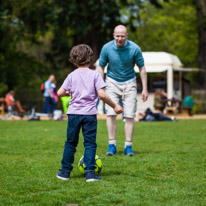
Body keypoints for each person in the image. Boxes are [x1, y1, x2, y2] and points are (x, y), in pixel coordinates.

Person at [56, 44, 123, 182]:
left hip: (73, 114)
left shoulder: (71, 75)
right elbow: (102, 95)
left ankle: (64, 172)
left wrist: (69, 92)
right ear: (91, 58)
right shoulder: (95, 75)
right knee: (90, 144)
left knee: (70, 143)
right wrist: (115, 105)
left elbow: (60, 92)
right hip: (89, 115)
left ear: (74, 60)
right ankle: (90, 174)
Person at [97, 25, 148, 156]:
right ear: (114, 35)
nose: (120, 38)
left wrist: (145, 89)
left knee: (130, 114)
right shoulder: (107, 48)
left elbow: (142, 68)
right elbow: (101, 67)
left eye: (122, 36)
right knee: (111, 114)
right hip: (112, 82)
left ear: (127, 36)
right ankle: (111, 145)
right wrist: (100, 86)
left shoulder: (134, 48)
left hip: (130, 82)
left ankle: (128, 146)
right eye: (117, 36)